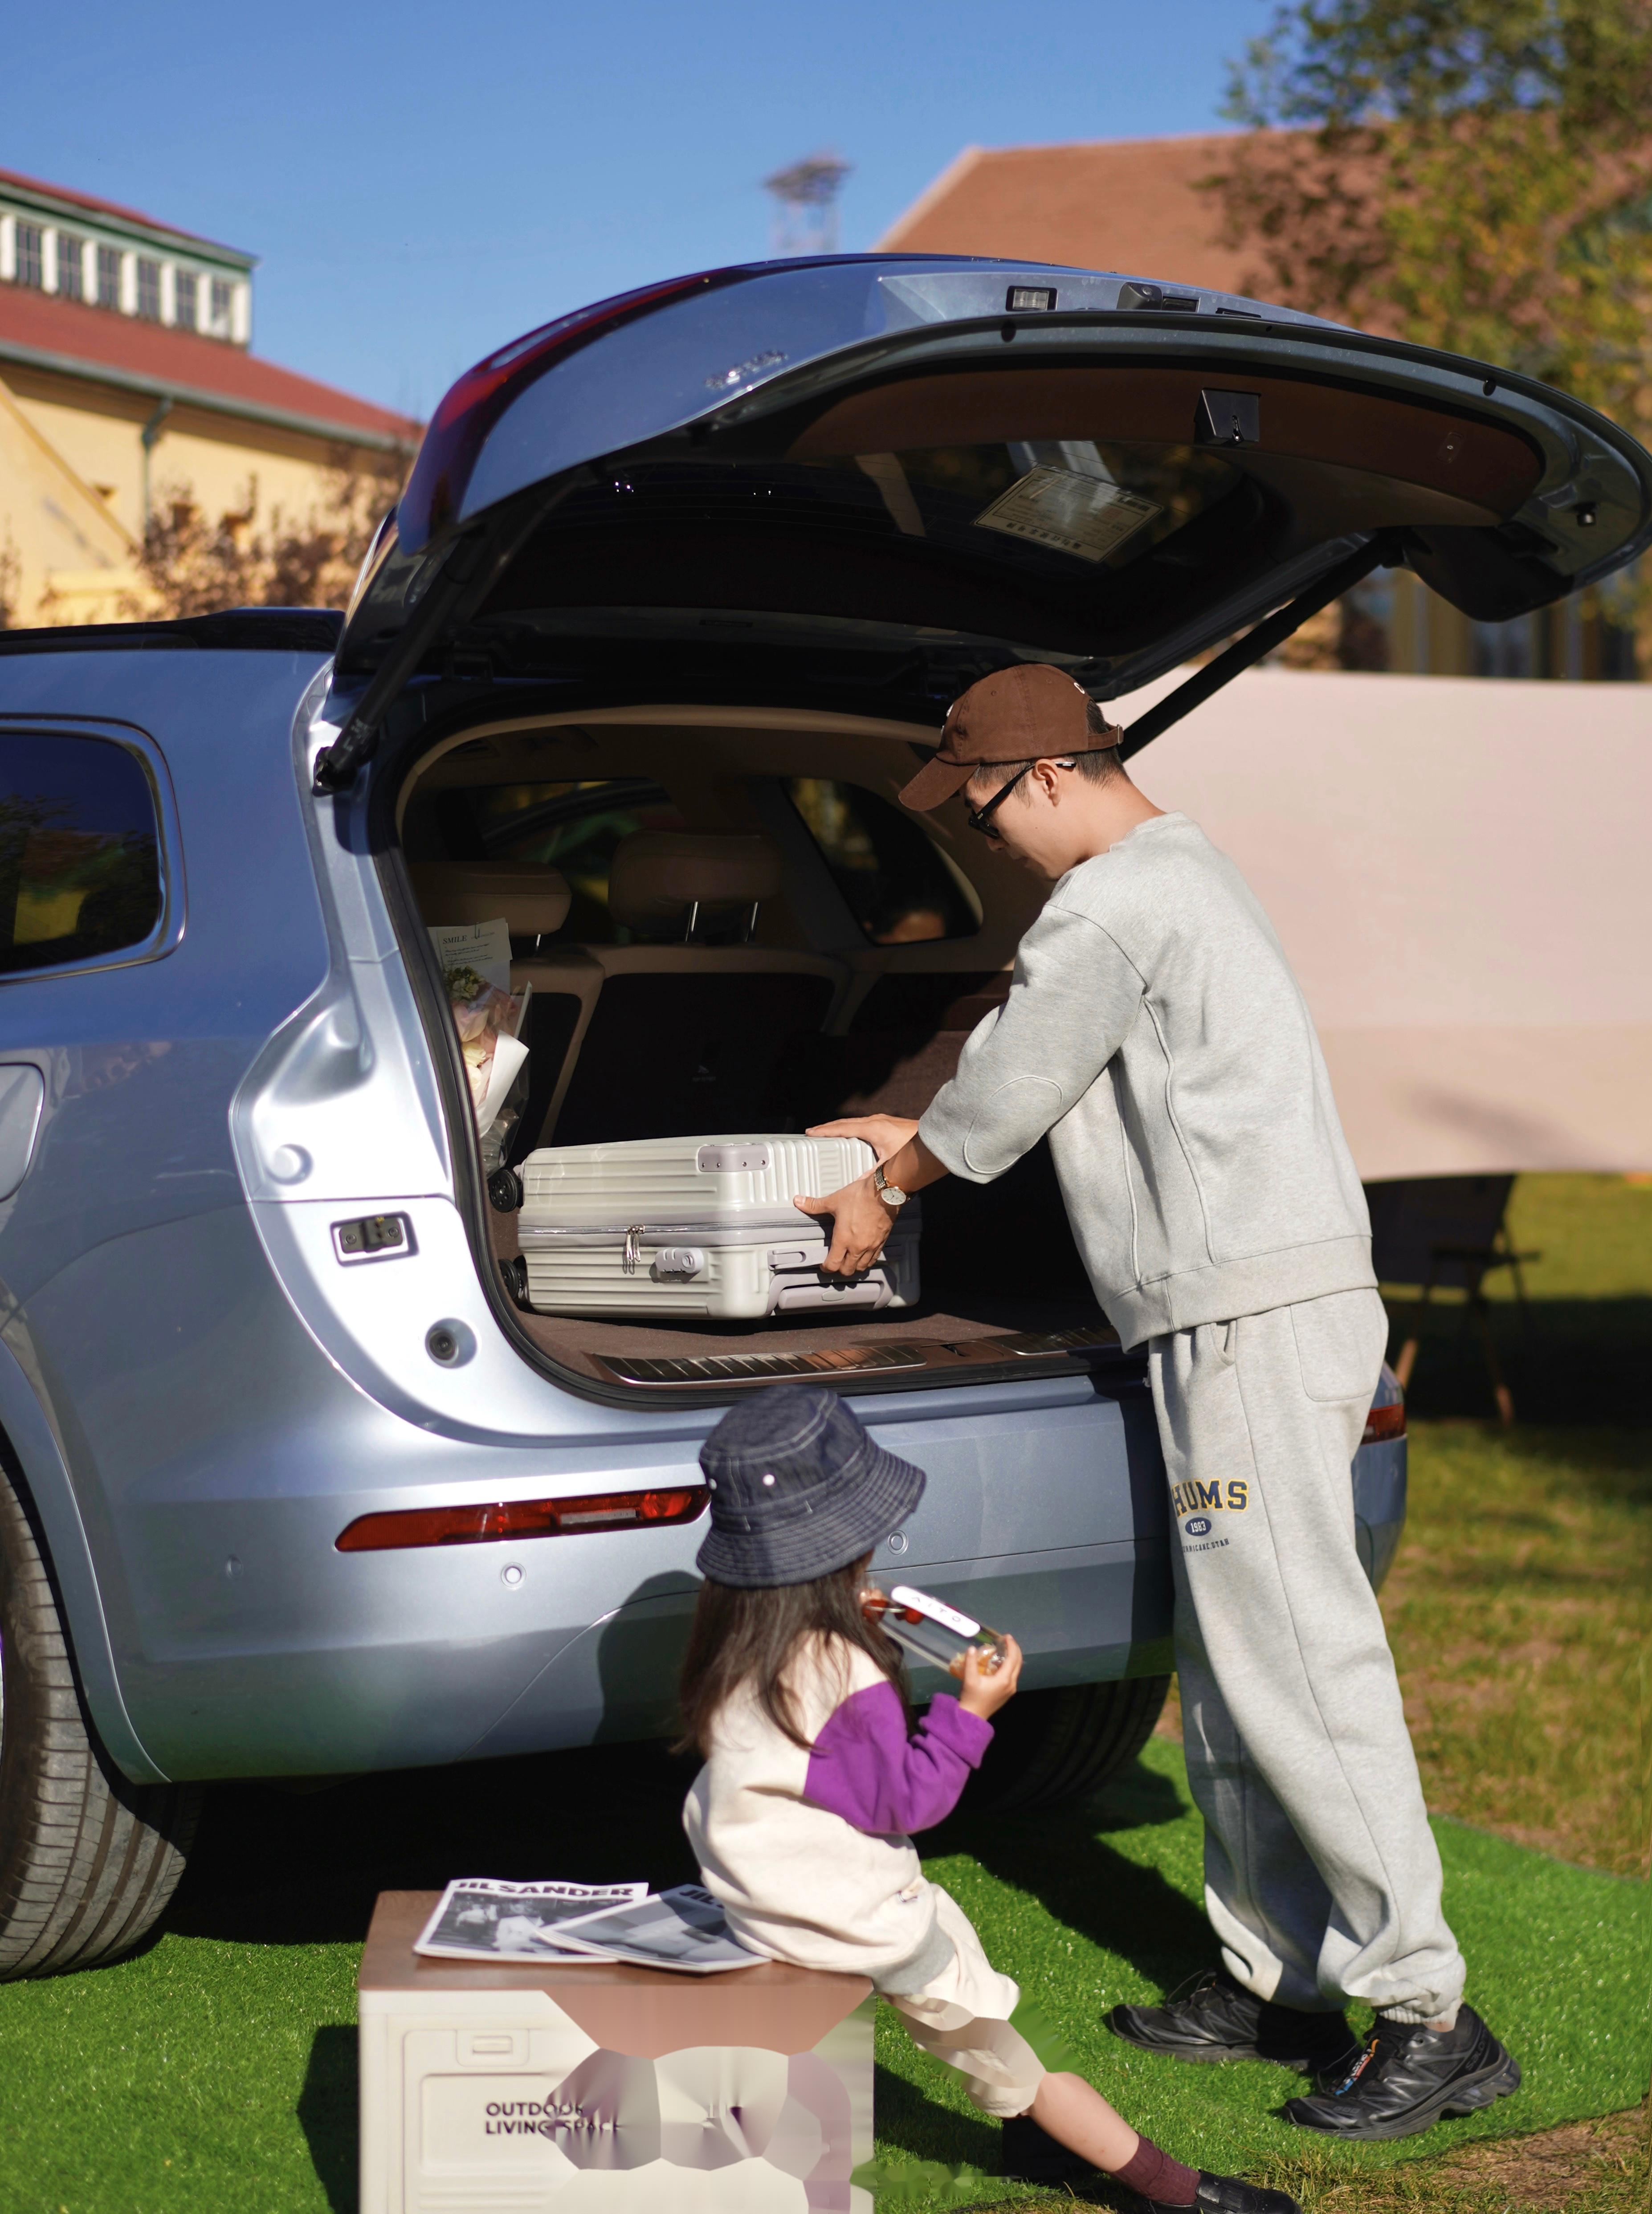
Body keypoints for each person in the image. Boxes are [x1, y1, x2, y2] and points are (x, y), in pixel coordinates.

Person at [792, 663, 1520, 2141]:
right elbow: (1036, 1064)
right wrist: (911, 1121)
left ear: (1049, 774)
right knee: (1237, 1662)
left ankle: (1429, 2013)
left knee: (1299, 1664)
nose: (990, 840)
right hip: (1231, 1313)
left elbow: (1008, 1092)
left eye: (984, 811)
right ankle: (1275, 1978)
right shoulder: (1176, 878)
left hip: (1249, 1320)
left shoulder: (1115, 901)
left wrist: (885, 1180)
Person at [680, 1383, 1303, 2213]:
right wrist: (973, 1711)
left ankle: (1028, 2136)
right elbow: (908, 1802)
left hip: (761, 1903)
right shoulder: (842, 1672)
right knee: (1011, 2044)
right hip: (850, 1922)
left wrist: (851, 1614)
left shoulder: (735, 1644)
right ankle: (1173, 2190)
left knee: (955, 1944)